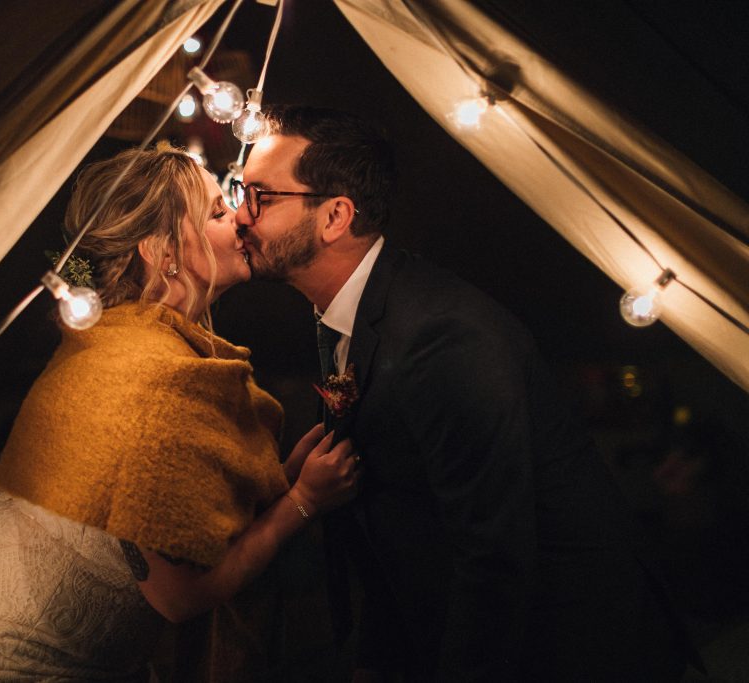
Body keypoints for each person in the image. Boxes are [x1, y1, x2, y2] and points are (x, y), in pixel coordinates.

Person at [234, 104, 697, 681]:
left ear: (335, 216)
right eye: (240, 190)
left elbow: (493, 554)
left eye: (260, 196)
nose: (240, 215)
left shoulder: (441, 336)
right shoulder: (353, 314)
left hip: (564, 648)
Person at [0, 143, 359, 681]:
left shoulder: (125, 337)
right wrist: (303, 502)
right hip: (6, 650)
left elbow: (176, 504)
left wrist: (283, 482)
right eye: (216, 212)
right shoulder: (151, 375)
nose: (240, 218)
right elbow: (180, 596)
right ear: (161, 250)